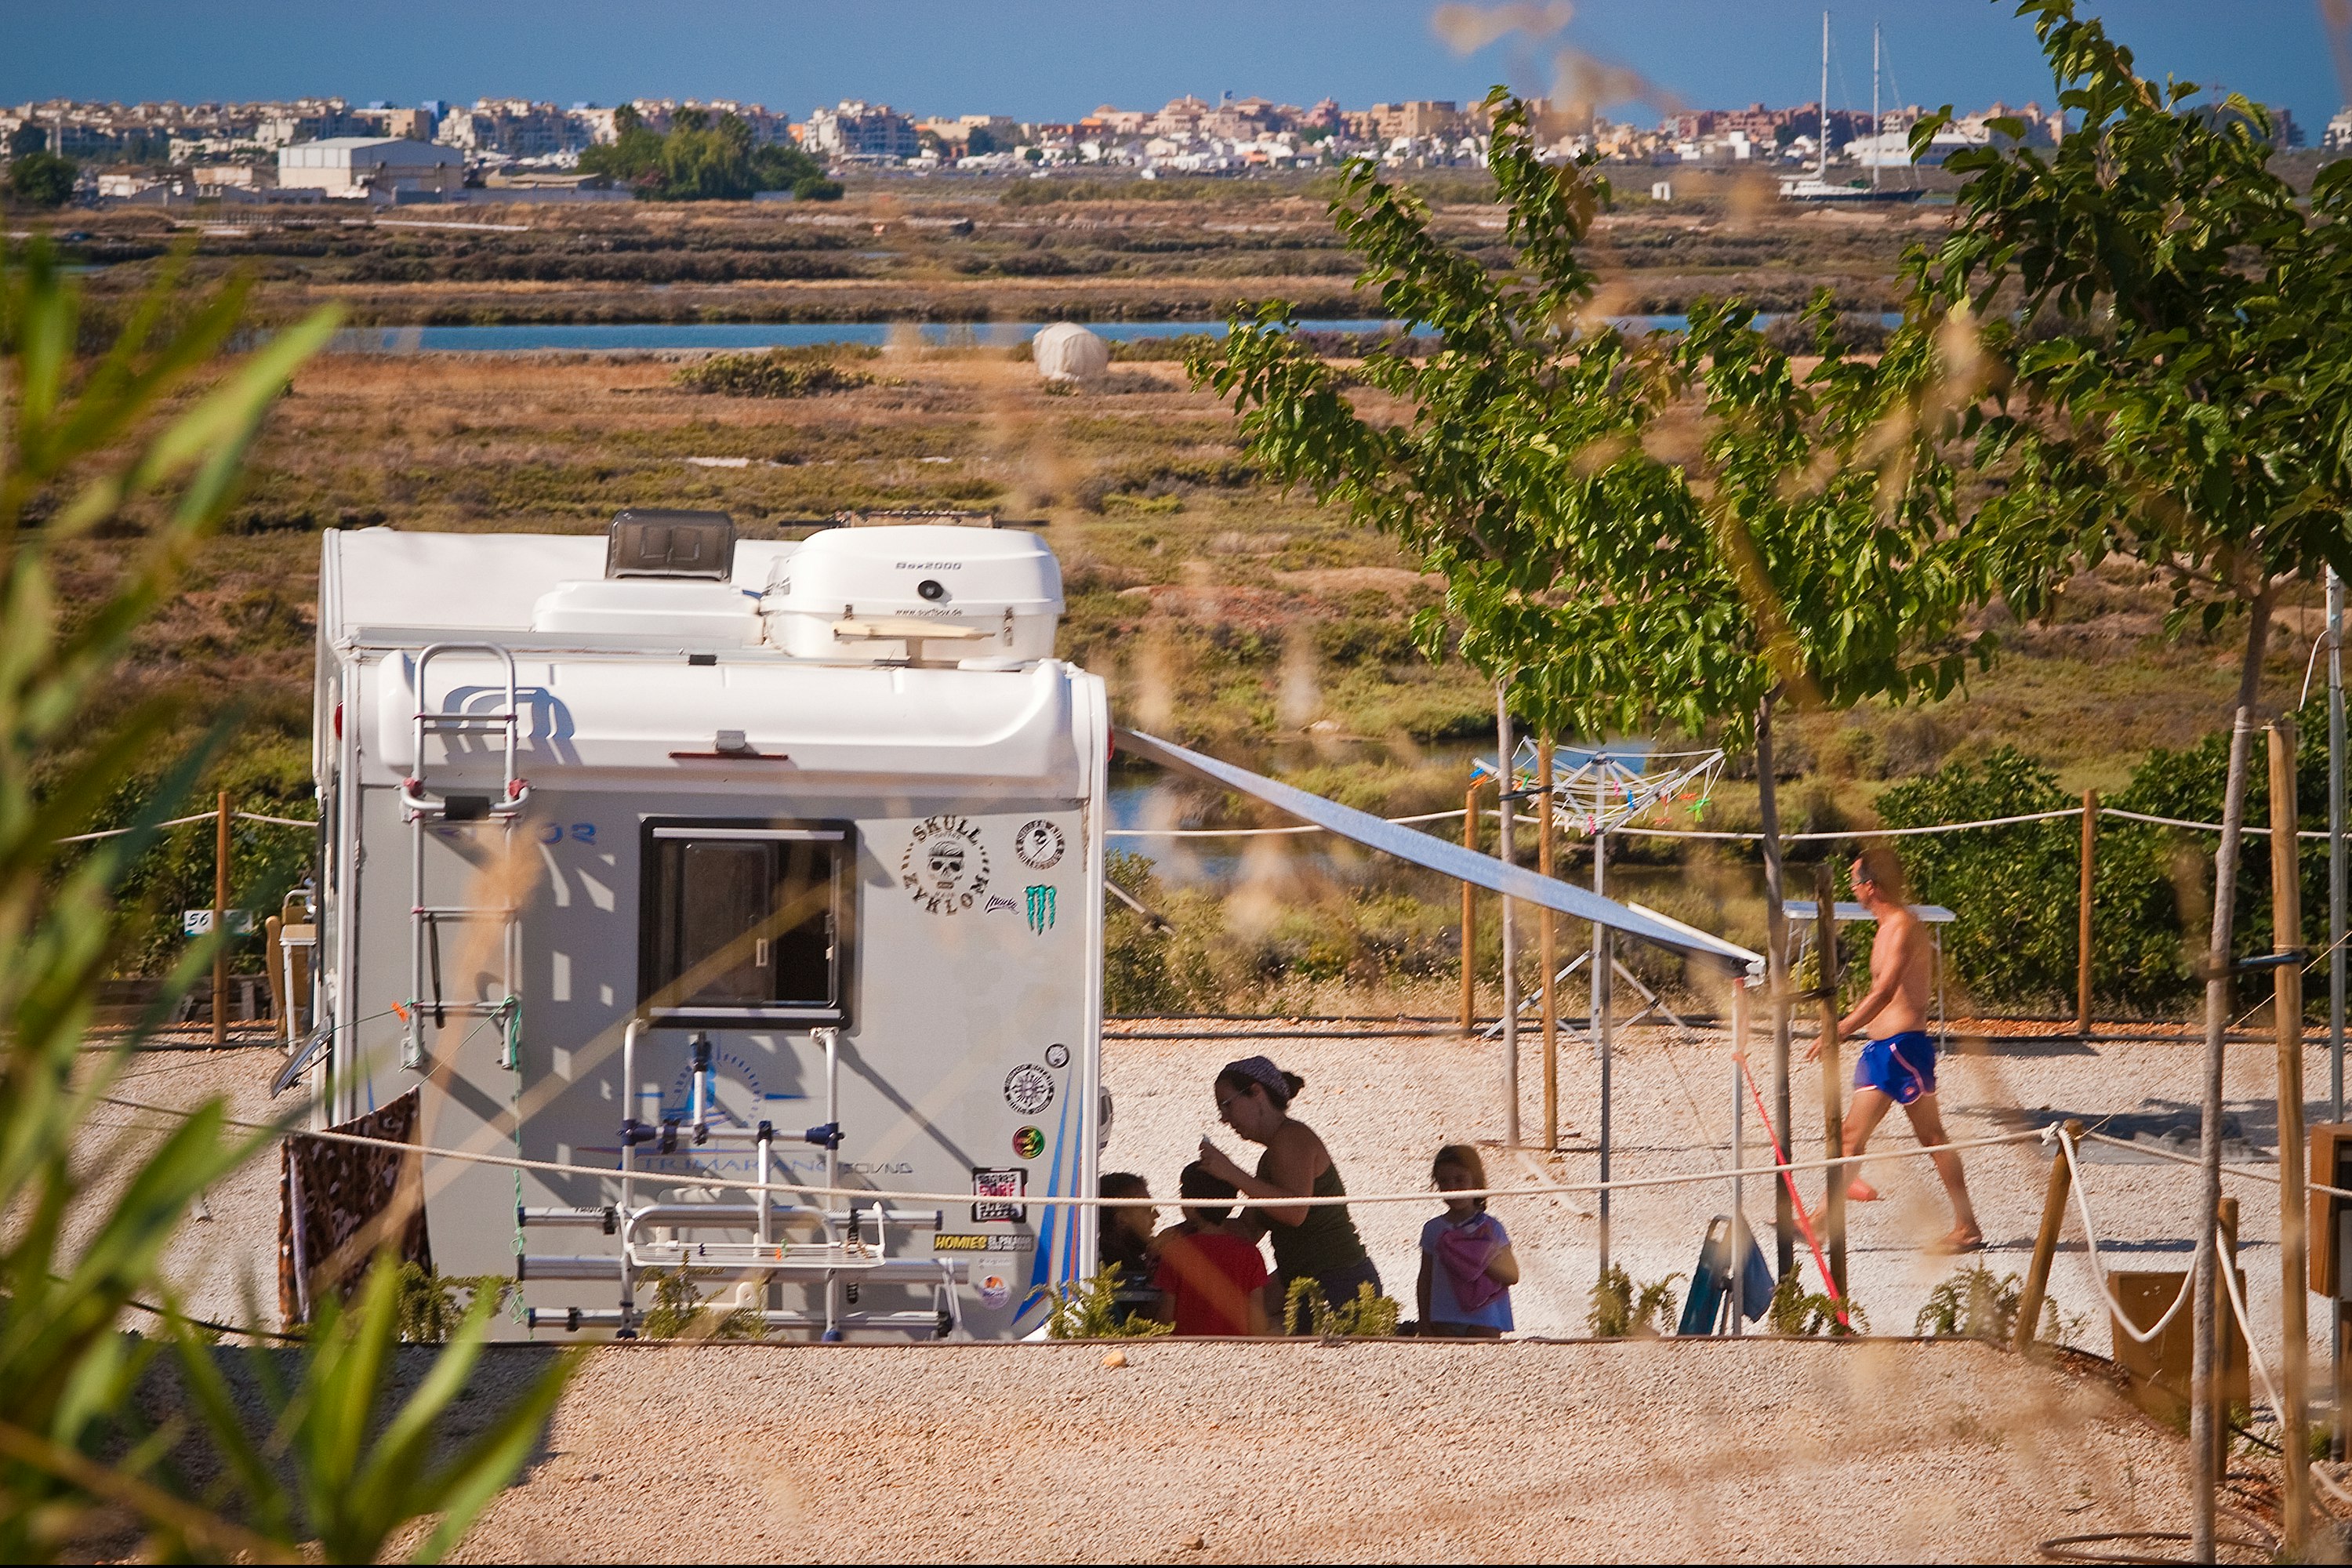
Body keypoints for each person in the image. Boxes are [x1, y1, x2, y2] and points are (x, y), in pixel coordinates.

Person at [1806, 844, 1983, 1253]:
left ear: (1871, 886)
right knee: (1854, 1137)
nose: (1852, 888)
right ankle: (1820, 1221)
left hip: (1904, 1049)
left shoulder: (1904, 925)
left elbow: (1886, 991)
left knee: (1930, 1137)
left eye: (1854, 881)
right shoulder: (1884, 927)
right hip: (1881, 1050)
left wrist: (1841, 1029)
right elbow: (1879, 991)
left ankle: (1967, 1227)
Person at [1194, 1055, 1381, 1327]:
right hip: (1305, 1280)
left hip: (1338, 1281)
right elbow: (1248, 1231)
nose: (1224, 1118)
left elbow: (1294, 1212)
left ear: (1256, 1093)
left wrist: (1231, 1173)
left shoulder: (1293, 1137)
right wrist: (1191, 1232)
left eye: (1227, 1104)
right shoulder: (1269, 1157)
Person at [1151, 1161, 1272, 1336]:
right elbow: (1257, 1322)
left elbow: (1166, 1317)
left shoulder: (1177, 1251)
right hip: (1237, 1347)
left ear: (1190, 1204)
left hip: (1185, 1346)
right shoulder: (1250, 1253)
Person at [1415, 1145, 1518, 1338]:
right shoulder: (1433, 1229)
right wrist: (1424, 1321)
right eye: (1444, 1181)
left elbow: (1512, 1275)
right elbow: (1425, 1279)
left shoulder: (1492, 1228)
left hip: (1485, 1318)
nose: (1452, 1188)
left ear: (1475, 1181)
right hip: (1444, 1317)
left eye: (1460, 1179)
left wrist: (1474, 1257)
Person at [1098, 1171, 1159, 1310]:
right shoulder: (1118, 1267)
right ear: (1122, 1219)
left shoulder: (1127, 1257)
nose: (1156, 1215)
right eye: (1148, 1209)